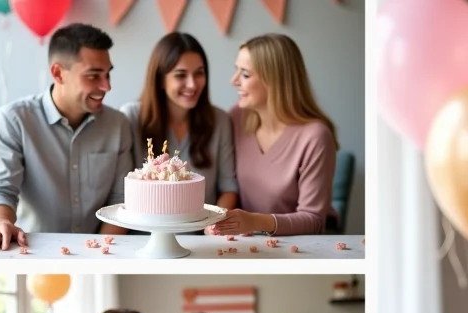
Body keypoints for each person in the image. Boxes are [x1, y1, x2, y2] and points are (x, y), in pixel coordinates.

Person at [0, 23, 131, 251]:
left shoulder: (118, 124)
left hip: (99, 253)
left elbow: (120, 202)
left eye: (107, 73)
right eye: (93, 75)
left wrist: (96, 256)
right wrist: (1, 222)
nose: (106, 85)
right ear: (58, 73)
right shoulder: (13, 120)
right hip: (33, 252)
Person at [209, 34, 337, 237]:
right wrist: (215, 221)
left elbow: (314, 220)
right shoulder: (236, 117)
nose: (233, 81)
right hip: (248, 244)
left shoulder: (315, 137)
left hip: (300, 248)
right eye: (237, 70)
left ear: (274, 80)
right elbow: (226, 186)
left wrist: (254, 221)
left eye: (245, 74)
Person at [121, 33, 238, 209]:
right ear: (161, 79)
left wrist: (216, 224)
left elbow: (228, 188)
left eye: (199, 73)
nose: (192, 84)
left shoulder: (220, 120)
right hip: (143, 234)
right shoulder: (132, 116)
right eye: (180, 75)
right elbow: (121, 190)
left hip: (201, 234)